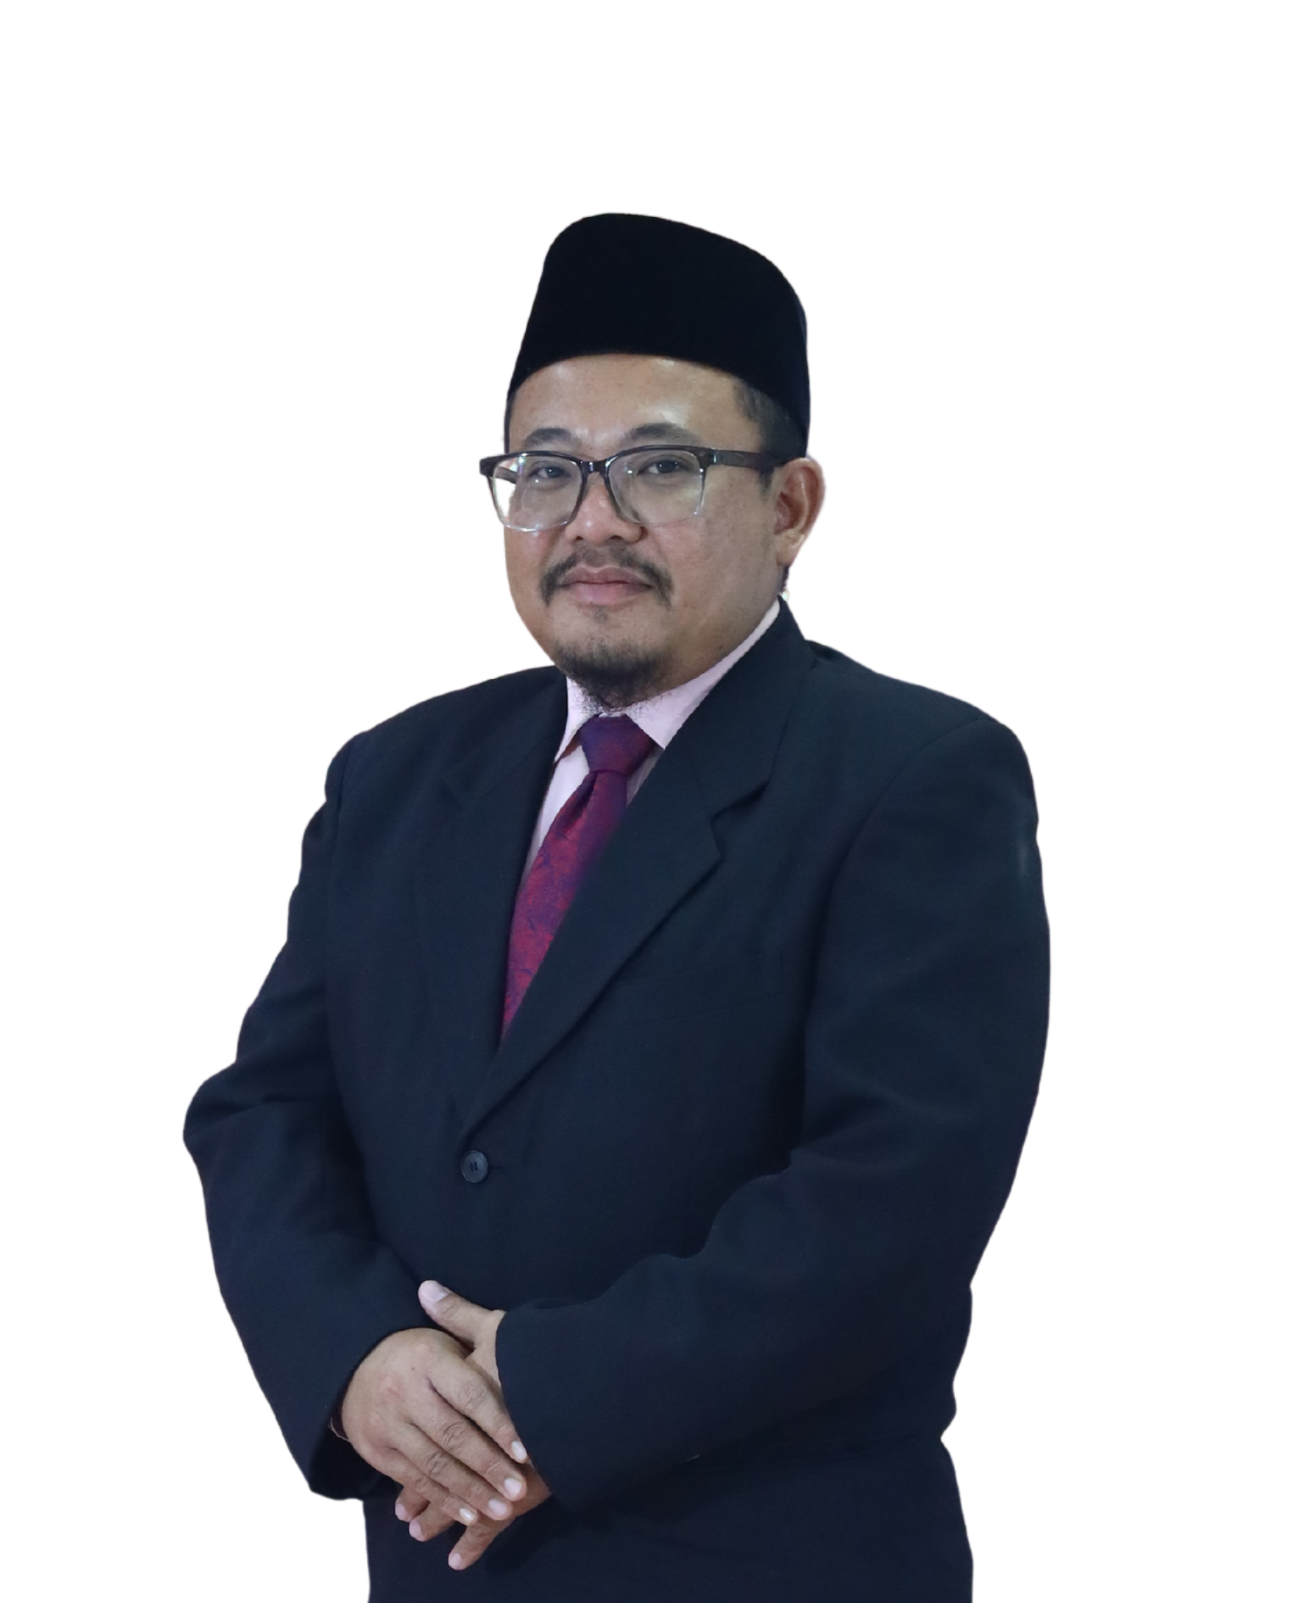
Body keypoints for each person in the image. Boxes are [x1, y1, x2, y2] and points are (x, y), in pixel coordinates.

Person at [185, 213, 1049, 1601]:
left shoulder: (914, 778)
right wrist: (356, 1358)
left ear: (790, 507)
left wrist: (548, 1390)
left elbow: (892, 1200)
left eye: (660, 466)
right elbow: (266, 1114)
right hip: (442, 1568)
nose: (594, 520)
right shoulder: (398, 776)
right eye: (546, 471)